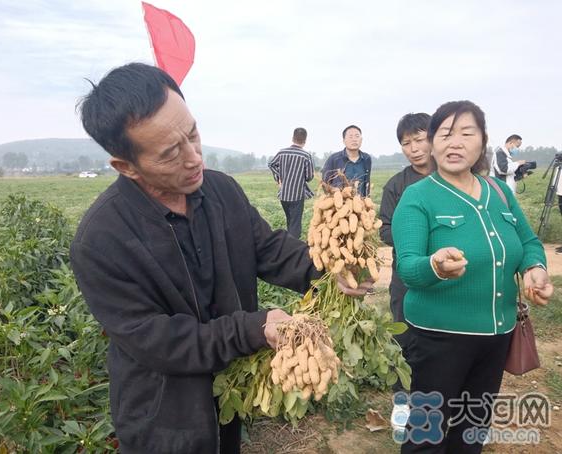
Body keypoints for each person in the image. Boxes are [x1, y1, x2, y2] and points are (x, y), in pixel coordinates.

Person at [70, 63, 370, 454]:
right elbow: (157, 341)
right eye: (170, 153)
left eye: (193, 135)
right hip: (163, 416)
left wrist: (328, 269)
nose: (194, 158)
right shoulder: (101, 239)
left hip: (229, 394)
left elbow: (268, 249)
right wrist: (251, 330)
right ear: (126, 166)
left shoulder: (221, 191)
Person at [392, 100, 553, 453]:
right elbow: (407, 266)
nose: (455, 143)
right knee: (426, 435)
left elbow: (527, 242)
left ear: (482, 141)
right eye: (445, 135)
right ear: (432, 144)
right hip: (438, 340)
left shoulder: (498, 193)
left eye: (467, 133)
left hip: (496, 336)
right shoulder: (418, 197)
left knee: (472, 429)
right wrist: (434, 265)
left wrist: (535, 268)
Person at [378, 112, 432, 429]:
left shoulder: (453, 177)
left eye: (419, 139)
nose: (413, 148)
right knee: (404, 342)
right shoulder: (396, 186)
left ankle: (436, 407)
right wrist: (415, 235)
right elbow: (384, 230)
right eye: (406, 143)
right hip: (407, 280)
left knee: (441, 346)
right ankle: (402, 405)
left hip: (448, 282)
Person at [268, 128, 315, 238]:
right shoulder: (306, 156)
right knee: (295, 224)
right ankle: (293, 248)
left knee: (290, 221)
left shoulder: (282, 152)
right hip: (297, 195)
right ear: (305, 140)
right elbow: (309, 177)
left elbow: (271, 164)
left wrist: (278, 177)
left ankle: (288, 243)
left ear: (292, 138)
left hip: (283, 194)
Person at [322, 125, 372, 196]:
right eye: (350, 137)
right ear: (344, 141)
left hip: (360, 203)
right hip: (340, 204)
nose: (354, 139)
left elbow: (367, 182)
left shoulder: (366, 158)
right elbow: (325, 183)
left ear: (361, 140)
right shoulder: (334, 159)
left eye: (357, 136)